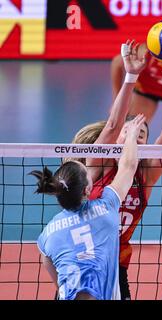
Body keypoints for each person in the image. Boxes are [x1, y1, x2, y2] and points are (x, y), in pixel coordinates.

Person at [86, 40, 162, 300]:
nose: (137, 133)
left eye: (142, 134)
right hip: (83, 258)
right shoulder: (99, 164)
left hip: (117, 266)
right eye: (131, 130)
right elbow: (113, 124)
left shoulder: (145, 177)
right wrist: (131, 75)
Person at [33, 114, 146, 300]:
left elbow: (52, 268)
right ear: (88, 189)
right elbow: (128, 166)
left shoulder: (48, 234)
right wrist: (132, 136)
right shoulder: (106, 208)